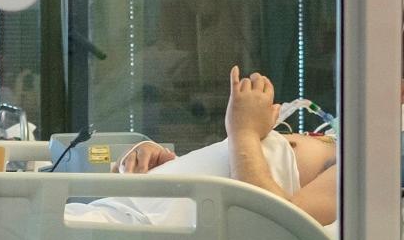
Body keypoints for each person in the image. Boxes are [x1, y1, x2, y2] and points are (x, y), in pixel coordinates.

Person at [117, 65, 336, 226]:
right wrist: (152, 163)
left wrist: (244, 132)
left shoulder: (360, 169)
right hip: (132, 209)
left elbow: (286, 224)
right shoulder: (330, 142)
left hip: (142, 227)